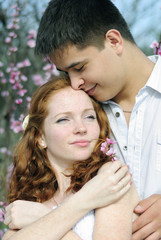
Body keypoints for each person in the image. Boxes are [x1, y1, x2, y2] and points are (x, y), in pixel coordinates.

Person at [31, 0, 161, 239]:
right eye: (66, 73)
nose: (74, 83)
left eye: (79, 67)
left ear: (114, 41)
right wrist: (37, 216)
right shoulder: (82, 117)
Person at [3, 76, 139, 240]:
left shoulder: (111, 178)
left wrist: (42, 218)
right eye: (63, 119)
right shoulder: (31, 201)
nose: (81, 128)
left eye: (89, 117)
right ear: (41, 137)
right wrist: (85, 199)